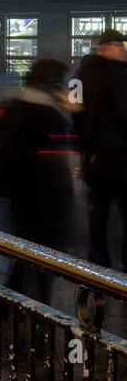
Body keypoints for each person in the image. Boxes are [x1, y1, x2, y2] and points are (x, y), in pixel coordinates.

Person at [0, 59, 76, 303]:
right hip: (43, 196)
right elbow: (53, 160)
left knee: (24, 254)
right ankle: (35, 311)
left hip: (20, 194)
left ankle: (12, 305)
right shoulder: (46, 112)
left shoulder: (14, 106)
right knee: (39, 257)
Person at [73, 30, 127, 269]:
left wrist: (85, 144)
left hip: (94, 156)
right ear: (104, 48)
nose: (123, 50)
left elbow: (75, 111)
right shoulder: (117, 73)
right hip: (120, 154)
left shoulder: (80, 74)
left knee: (98, 210)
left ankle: (97, 259)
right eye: (119, 45)